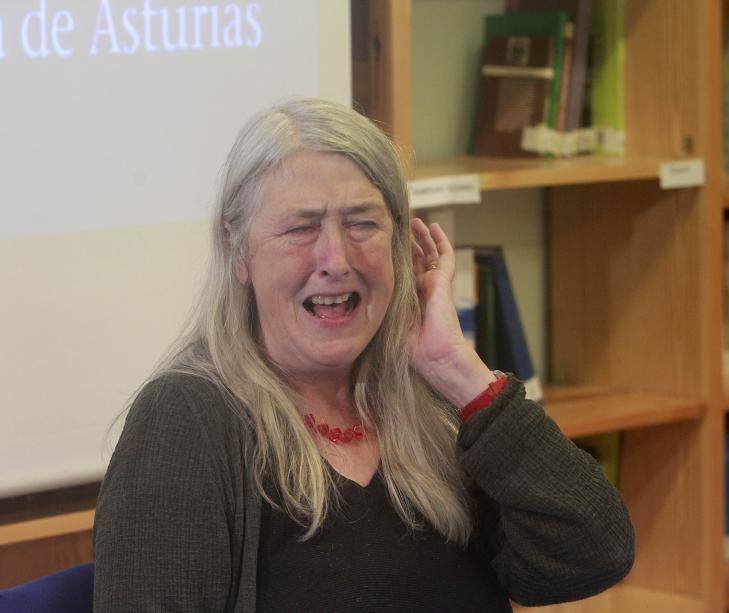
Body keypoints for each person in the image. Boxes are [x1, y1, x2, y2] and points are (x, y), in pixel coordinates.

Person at [93, 98, 634, 612]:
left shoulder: (433, 404)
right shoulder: (186, 420)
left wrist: (457, 370)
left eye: (362, 224)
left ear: (401, 243)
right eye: (301, 228)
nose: (336, 259)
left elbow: (593, 555)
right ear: (238, 251)